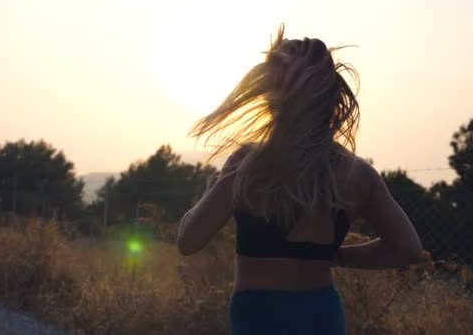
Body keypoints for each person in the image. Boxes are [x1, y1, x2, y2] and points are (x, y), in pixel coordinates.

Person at [176, 25, 424, 335]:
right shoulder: (358, 174)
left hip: (260, 318)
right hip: (323, 315)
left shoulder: (248, 165)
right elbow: (409, 250)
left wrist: (212, 191)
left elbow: (189, 240)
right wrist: (341, 256)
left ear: (270, 96)